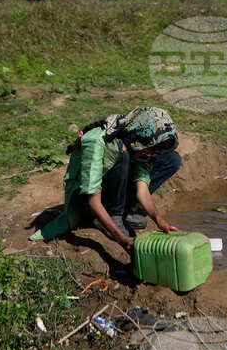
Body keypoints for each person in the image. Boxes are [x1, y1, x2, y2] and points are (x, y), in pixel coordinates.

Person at [30, 107, 182, 252]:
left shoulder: (135, 141)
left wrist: (159, 220)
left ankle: (127, 210)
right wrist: (121, 239)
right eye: (152, 149)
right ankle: (111, 215)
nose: (152, 154)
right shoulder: (96, 142)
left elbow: (142, 188)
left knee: (171, 159)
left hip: (112, 188)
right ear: (139, 139)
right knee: (123, 154)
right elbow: (92, 199)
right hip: (88, 201)